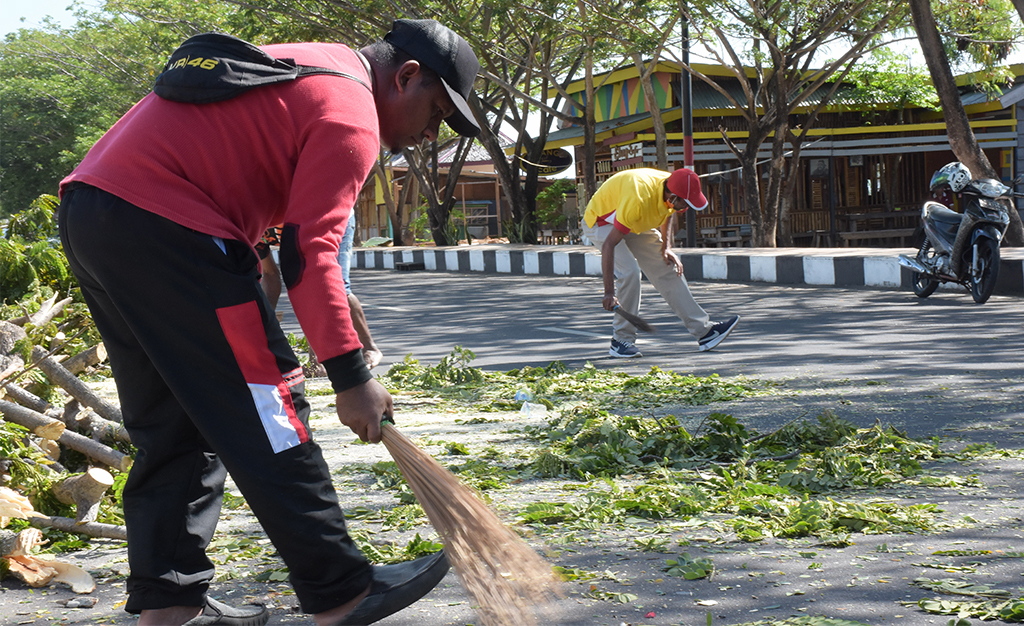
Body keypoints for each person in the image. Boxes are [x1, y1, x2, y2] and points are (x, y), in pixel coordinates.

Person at [57, 18, 480, 626]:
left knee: (174, 422)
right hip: (169, 226)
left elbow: (236, 172)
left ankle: (168, 602)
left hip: (96, 213)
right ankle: (340, 590)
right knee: (273, 405)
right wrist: (352, 379)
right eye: (436, 111)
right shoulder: (352, 113)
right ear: (406, 76)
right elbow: (311, 257)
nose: (427, 133)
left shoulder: (316, 63)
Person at [581, 167, 740, 358]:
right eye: (685, 204)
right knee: (630, 272)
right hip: (602, 222)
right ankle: (621, 340)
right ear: (672, 197)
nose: (685, 209)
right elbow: (609, 245)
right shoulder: (638, 198)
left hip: (632, 221)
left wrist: (666, 247)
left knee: (667, 266)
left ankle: (704, 331)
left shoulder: (671, 183)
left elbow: (669, 211)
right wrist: (608, 293)